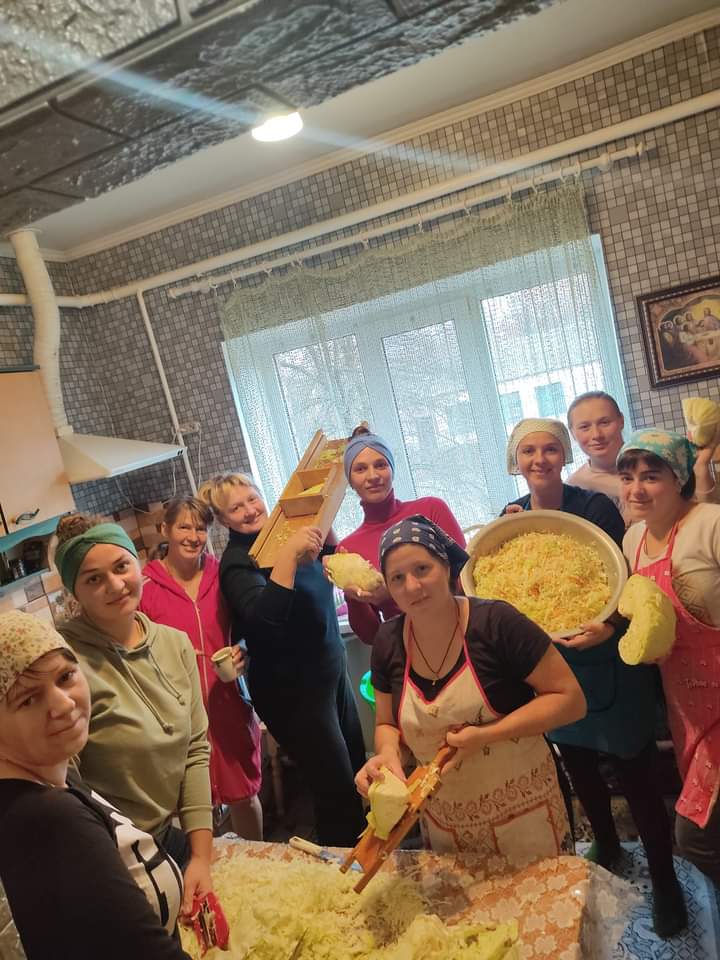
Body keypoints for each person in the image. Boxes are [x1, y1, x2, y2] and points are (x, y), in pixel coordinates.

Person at [503, 418, 686, 938]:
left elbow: (626, 579)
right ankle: (605, 843)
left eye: (550, 449)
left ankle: (665, 879)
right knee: (579, 765)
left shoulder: (596, 507)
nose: (539, 459)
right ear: (516, 460)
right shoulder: (510, 518)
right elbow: (505, 595)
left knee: (635, 774)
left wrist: (609, 627)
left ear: (565, 456)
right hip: (554, 667)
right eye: (528, 451)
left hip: (608, 659)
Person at [355, 515, 584, 869]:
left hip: (527, 817)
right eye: (397, 578)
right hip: (447, 825)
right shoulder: (388, 641)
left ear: (446, 567)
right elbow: (386, 723)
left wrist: (487, 735)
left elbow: (570, 700)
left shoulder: (496, 623)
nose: (412, 586)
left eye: (422, 569)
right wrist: (387, 755)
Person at [0, 611, 190, 960]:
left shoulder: (51, 780)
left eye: (65, 676)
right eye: (28, 699)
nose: (63, 704)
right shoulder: (48, 818)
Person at [53, 515, 213, 911]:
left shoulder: (175, 644)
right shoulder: (64, 666)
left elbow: (195, 751)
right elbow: (63, 786)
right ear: (75, 591)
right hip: (111, 859)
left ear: (138, 565)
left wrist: (201, 857)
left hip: (168, 839)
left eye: (121, 566)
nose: (115, 585)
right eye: (93, 579)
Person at [197, 473, 366, 847]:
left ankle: (370, 856)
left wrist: (325, 524)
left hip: (330, 670)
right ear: (222, 520)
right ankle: (343, 870)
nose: (249, 510)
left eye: (252, 499)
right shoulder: (238, 563)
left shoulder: (283, 534)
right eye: (235, 508)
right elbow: (265, 621)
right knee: (336, 791)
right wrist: (289, 556)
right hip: (294, 694)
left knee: (357, 770)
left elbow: (328, 560)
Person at [618, 429, 720, 886]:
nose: (636, 489)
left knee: (695, 836)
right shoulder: (633, 540)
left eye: (651, 476)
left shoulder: (710, 523)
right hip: (684, 702)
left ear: (679, 478)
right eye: (627, 477)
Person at [140, 497, 263, 840]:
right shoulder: (144, 588)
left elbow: (251, 625)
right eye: (184, 527)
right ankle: (207, 869)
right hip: (179, 715)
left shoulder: (222, 575)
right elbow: (135, 651)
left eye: (200, 528)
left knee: (245, 797)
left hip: (228, 705)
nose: (193, 536)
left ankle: (258, 863)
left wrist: (243, 650)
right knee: (195, 808)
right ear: (165, 529)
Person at [337, 425, 465, 645]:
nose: (373, 476)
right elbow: (371, 636)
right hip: (407, 649)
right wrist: (353, 597)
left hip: (460, 632)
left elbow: (465, 580)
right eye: (360, 469)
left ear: (392, 469)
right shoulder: (349, 550)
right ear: (350, 480)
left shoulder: (431, 509)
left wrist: (392, 592)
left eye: (380, 465)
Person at [567, 390, 718, 512]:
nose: (596, 435)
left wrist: (700, 467)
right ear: (572, 433)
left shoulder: (661, 458)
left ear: (621, 421)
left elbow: (707, 519)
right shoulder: (574, 487)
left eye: (604, 422)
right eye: (584, 427)